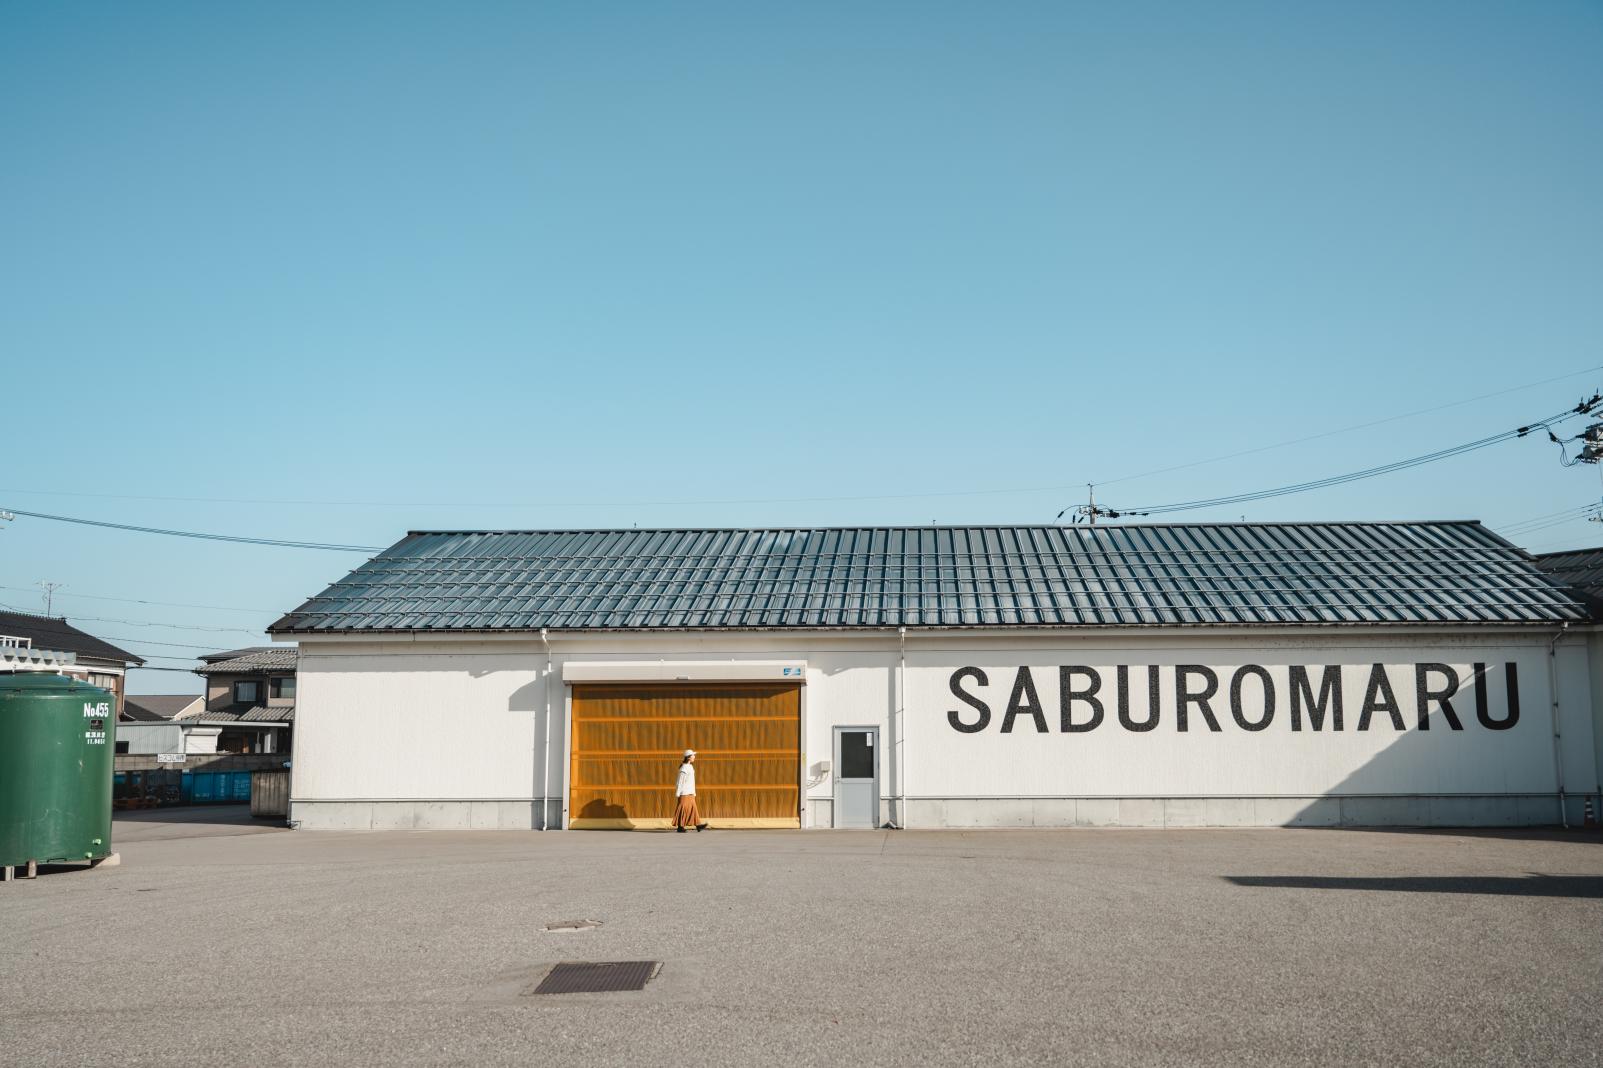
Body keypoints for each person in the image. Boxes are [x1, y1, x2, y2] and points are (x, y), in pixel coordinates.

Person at [674, 749, 709, 833]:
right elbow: (680, 781)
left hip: (690, 792)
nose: (694, 757)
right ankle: (680, 827)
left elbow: (692, 781)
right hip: (684, 793)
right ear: (689, 757)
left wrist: (694, 792)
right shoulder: (684, 768)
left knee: (693, 809)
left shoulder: (690, 767)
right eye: (693, 755)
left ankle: (698, 825)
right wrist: (678, 792)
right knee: (682, 809)